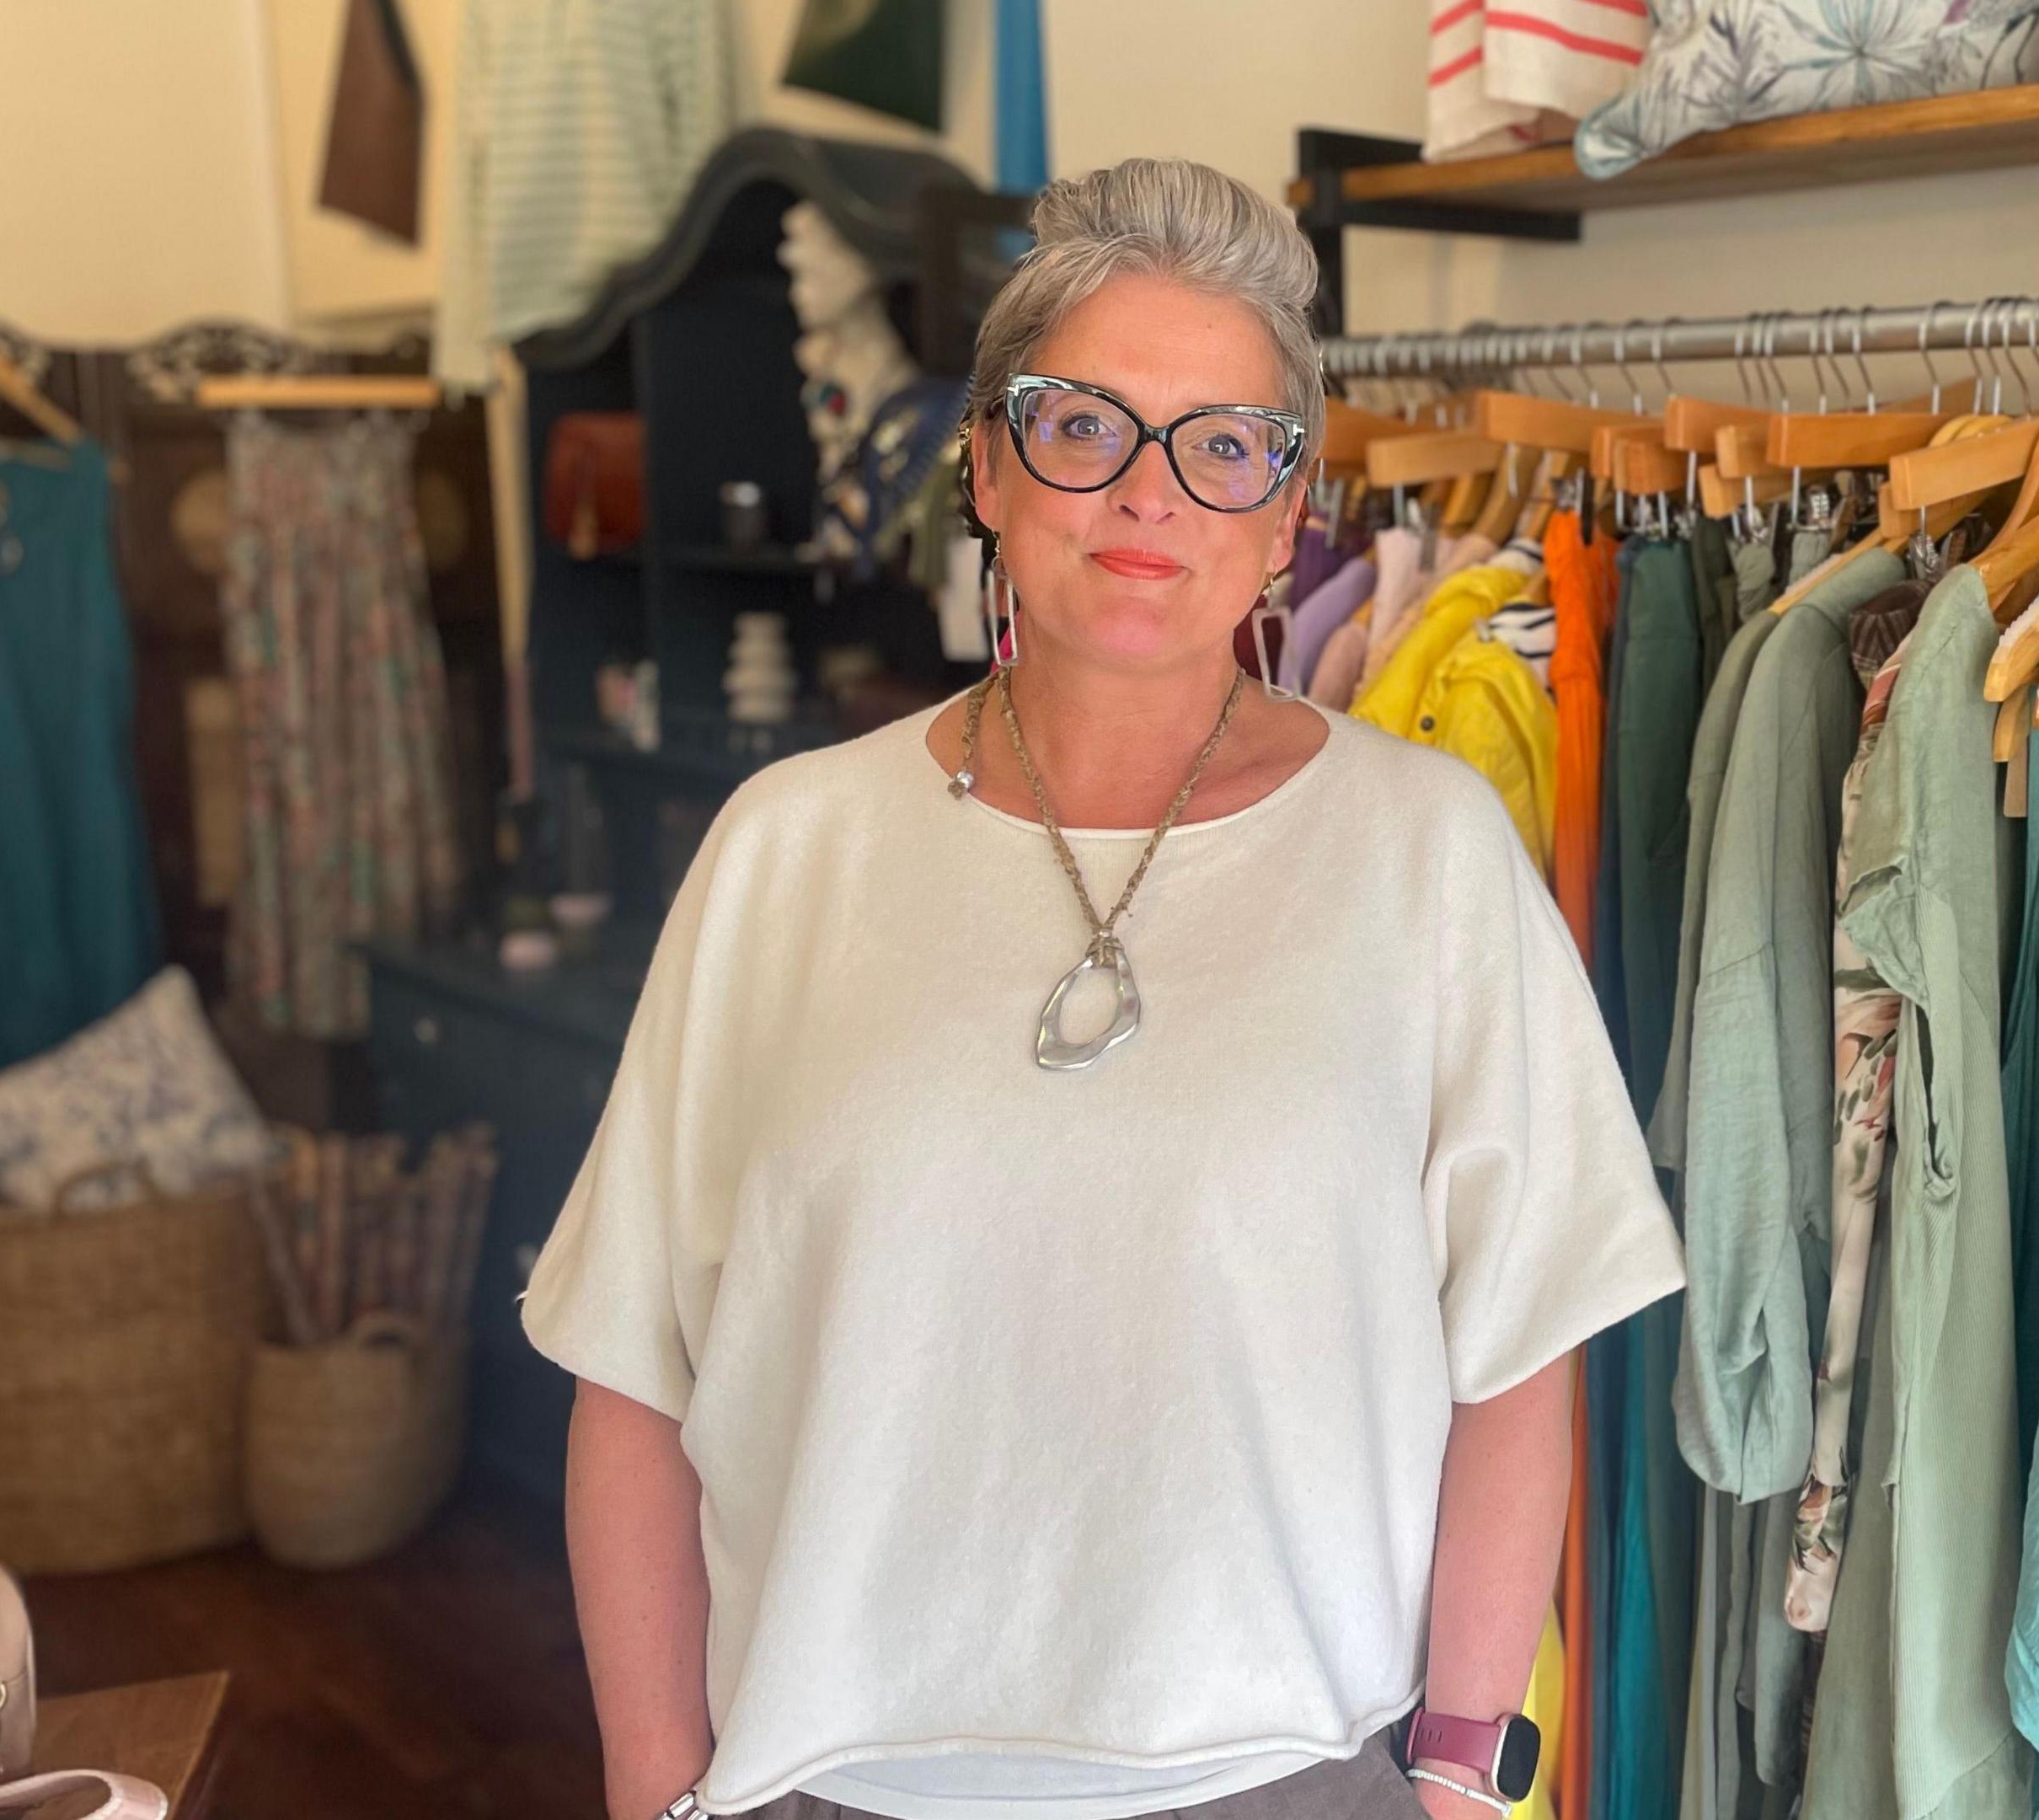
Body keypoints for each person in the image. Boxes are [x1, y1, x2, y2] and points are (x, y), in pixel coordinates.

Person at [522, 158, 1683, 1820]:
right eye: (1085, 426)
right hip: (827, 1782)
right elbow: (631, 1364)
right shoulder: (789, 849)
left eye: (1223, 448)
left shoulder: (1424, 855)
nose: (1153, 497)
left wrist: (1455, 1767)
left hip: (1288, 1781)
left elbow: (1522, 1345)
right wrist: (653, 1780)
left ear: (1289, 515)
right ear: (989, 466)